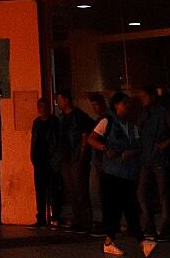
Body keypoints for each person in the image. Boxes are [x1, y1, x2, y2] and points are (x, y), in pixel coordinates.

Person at [87, 92, 155, 256]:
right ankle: (141, 241)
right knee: (123, 207)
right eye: (125, 104)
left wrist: (130, 153)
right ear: (116, 105)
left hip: (129, 173)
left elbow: (139, 146)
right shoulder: (107, 122)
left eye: (129, 104)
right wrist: (105, 149)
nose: (128, 107)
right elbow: (92, 139)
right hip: (112, 174)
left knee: (123, 207)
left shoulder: (132, 126)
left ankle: (111, 241)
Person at [135, 84, 170, 244]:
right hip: (146, 158)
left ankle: (165, 228)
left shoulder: (162, 112)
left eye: (144, 96)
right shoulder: (144, 114)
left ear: (152, 96)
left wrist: (166, 143)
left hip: (160, 158)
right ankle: (149, 225)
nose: (142, 100)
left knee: (163, 193)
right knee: (142, 192)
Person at [57, 90, 98, 233]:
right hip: (66, 158)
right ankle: (78, 219)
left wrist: (81, 155)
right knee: (72, 191)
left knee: (80, 190)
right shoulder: (62, 118)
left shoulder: (78, 116)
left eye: (60, 99)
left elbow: (85, 135)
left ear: (66, 100)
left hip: (76, 158)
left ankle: (86, 221)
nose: (58, 103)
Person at [31, 96, 62, 228]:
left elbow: (56, 141)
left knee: (53, 189)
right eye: (40, 107)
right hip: (39, 161)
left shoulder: (54, 122)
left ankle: (55, 217)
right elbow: (34, 140)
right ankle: (42, 218)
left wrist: (55, 158)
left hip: (50, 161)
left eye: (44, 107)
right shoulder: (37, 122)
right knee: (40, 190)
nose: (42, 109)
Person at [88, 91, 112, 237]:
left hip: (103, 161)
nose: (94, 108)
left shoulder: (106, 120)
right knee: (98, 193)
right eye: (93, 106)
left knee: (103, 193)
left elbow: (93, 139)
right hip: (99, 161)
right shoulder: (100, 120)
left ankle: (105, 222)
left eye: (96, 105)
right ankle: (103, 221)